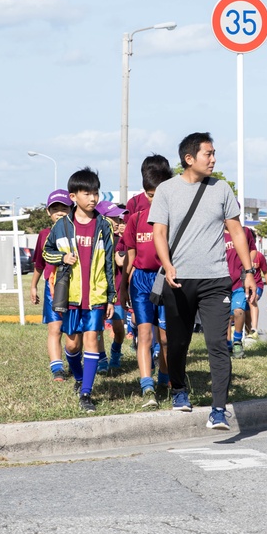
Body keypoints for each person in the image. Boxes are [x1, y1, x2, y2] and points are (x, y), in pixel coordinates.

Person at [149, 132, 256, 431]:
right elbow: (159, 233)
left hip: (215, 280)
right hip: (178, 280)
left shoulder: (221, 188)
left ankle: (218, 410)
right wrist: (167, 266)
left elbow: (236, 231)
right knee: (178, 342)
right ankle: (179, 388)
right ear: (189, 158)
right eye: (208, 154)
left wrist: (248, 272)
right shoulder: (167, 190)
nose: (213, 159)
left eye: (213, 153)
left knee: (216, 344)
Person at [43, 168, 116, 414]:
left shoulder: (104, 225)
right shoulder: (62, 226)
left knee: (92, 340)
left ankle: (86, 392)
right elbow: (46, 253)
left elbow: (109, 265)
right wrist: (63, 257)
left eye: (95, 193)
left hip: (96, 295)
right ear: (74, 197)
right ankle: (78, 376)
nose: (93, 198)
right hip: (71, 296)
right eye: (87, 194)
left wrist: (111, 298)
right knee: (72, 346)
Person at [122, 157, 174, 408]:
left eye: (159, 194)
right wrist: (122, 290)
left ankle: (166, 378)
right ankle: (147, 387)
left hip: (167, 279)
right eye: (150, 194)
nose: (155, 200)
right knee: (145, 334)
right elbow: (129, 258)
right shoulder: (135, 217)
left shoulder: (175, 218)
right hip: (141, 281)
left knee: (165, 338)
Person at [30, 189, 72, 381]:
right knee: (54, 329)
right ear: (48, 212)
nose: (60, 212)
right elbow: (39, 264)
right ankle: (57, 368)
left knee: (73, 333)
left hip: (76, 287)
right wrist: (33, 286)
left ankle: (75, 361)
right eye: (55, 209)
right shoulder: (44, 234)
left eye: (64, 208)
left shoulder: (76, 231)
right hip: (52, 288)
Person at [96, 199, 127, 373]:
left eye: (119, 218)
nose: (118, 222)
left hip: (117, 291)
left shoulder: (119, 240)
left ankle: (116, 351)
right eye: (113, 218)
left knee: (118, 328)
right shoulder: (97, 240)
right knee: (98, 326)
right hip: (98, 291)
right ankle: (101, 359)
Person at [223, 225, 256, 359]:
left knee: (239, 310)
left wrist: (248, 265)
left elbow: (253, 250)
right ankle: (226, 343)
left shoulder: (244, 231)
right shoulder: (215, 231)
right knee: (224, 315)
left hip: (239, 281)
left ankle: (237, 340)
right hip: (221, 281)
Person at [248, 250, 267, 339]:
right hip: (244, 286)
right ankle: (247, 331)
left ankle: (254, 329)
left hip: (257, 285)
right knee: (245, 310)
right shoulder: (239, 254)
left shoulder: (259, 256)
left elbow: (266, 273)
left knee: (252, 300)